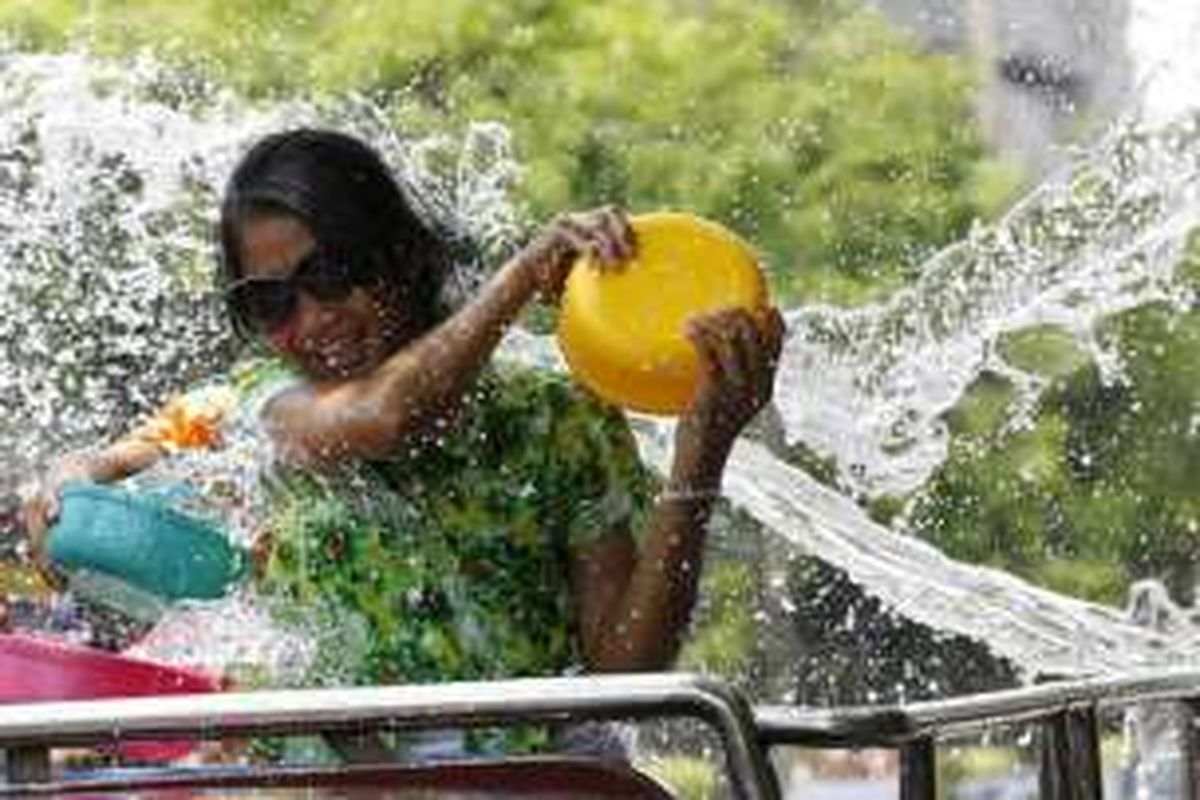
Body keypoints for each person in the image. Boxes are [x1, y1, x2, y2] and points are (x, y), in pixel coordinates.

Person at [22, 128, 783, 706]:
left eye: (330, 273)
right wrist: (64, 479)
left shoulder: (555, 415)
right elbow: (383, 418)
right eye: (272, 300)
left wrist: (699, 457)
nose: (312, 319)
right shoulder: (261, 404)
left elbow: (627, 671)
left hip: (524, 780)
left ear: (403, 252)